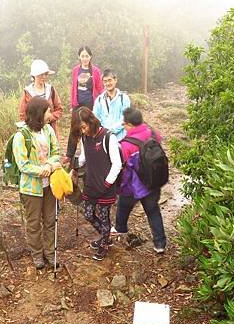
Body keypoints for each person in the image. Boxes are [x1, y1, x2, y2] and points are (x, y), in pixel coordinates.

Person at [13, 96, 62, 269]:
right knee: (33, 224)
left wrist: (49, 165)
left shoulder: (48, 130)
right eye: (48, 110)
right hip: (31, 188)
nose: (50, 113)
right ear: (39, 113)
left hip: (50, 185)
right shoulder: (21, 136)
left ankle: (50, 253)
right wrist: (42, 170)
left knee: (50, 220)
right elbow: (23, 164)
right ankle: (37, 255)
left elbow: (56, 151)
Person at [113, 107, 167, 253]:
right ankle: (160, 243)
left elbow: (124, 168)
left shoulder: (126, 144)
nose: (123, 127)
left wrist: (120, 187)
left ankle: (120, 229)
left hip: (134, 186)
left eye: (124, 124)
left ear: (130, 125)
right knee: (153, 211)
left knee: (123, 206)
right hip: (153, 181)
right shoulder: (152, 132)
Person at [71, 107, 122, 261]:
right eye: (80, 129)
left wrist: (107, 183)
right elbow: (83, 158)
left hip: (106, 186)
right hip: (91, 183)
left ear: (91, 121)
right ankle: (106, 237)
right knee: (88, 214)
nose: (83, 131)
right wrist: (73, 166)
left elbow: (117, 164)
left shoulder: (108, 137)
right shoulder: (86, 138)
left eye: (84, 127)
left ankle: (104, 244)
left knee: (104, 217)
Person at [64, 46, 104, 163]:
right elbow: (73, 87)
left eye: (87, 56)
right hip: (78, 102)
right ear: (79, 57)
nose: (85, 58)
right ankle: (69, 154)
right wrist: (72, 104)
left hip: (90, 103)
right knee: (74, 127)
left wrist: (100, 103)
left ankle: (88, 153)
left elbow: (99, 88)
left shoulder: (95, 71)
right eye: (82, 56)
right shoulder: (76, 70)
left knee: (89, 127)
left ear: (90, 57)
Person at [19, 59, 63, 137]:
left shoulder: (51, 89)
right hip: (34, 132)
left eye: (45, 74)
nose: (43, 77)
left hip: (50, 130)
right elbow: (23, 114)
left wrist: (49, 118)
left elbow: (59, 109)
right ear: (34, 76)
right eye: (40, 74)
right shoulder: (27, 92)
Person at [92, 69, 131, 142]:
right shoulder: (99, 100)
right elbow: (95, 118)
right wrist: (103, 132)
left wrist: (111, 130)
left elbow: (125, 118)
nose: (108, 83)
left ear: (115, 80)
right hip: (104, 139)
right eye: (105, 81)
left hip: (121, 139)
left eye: (110, 80)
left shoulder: (124, 98)